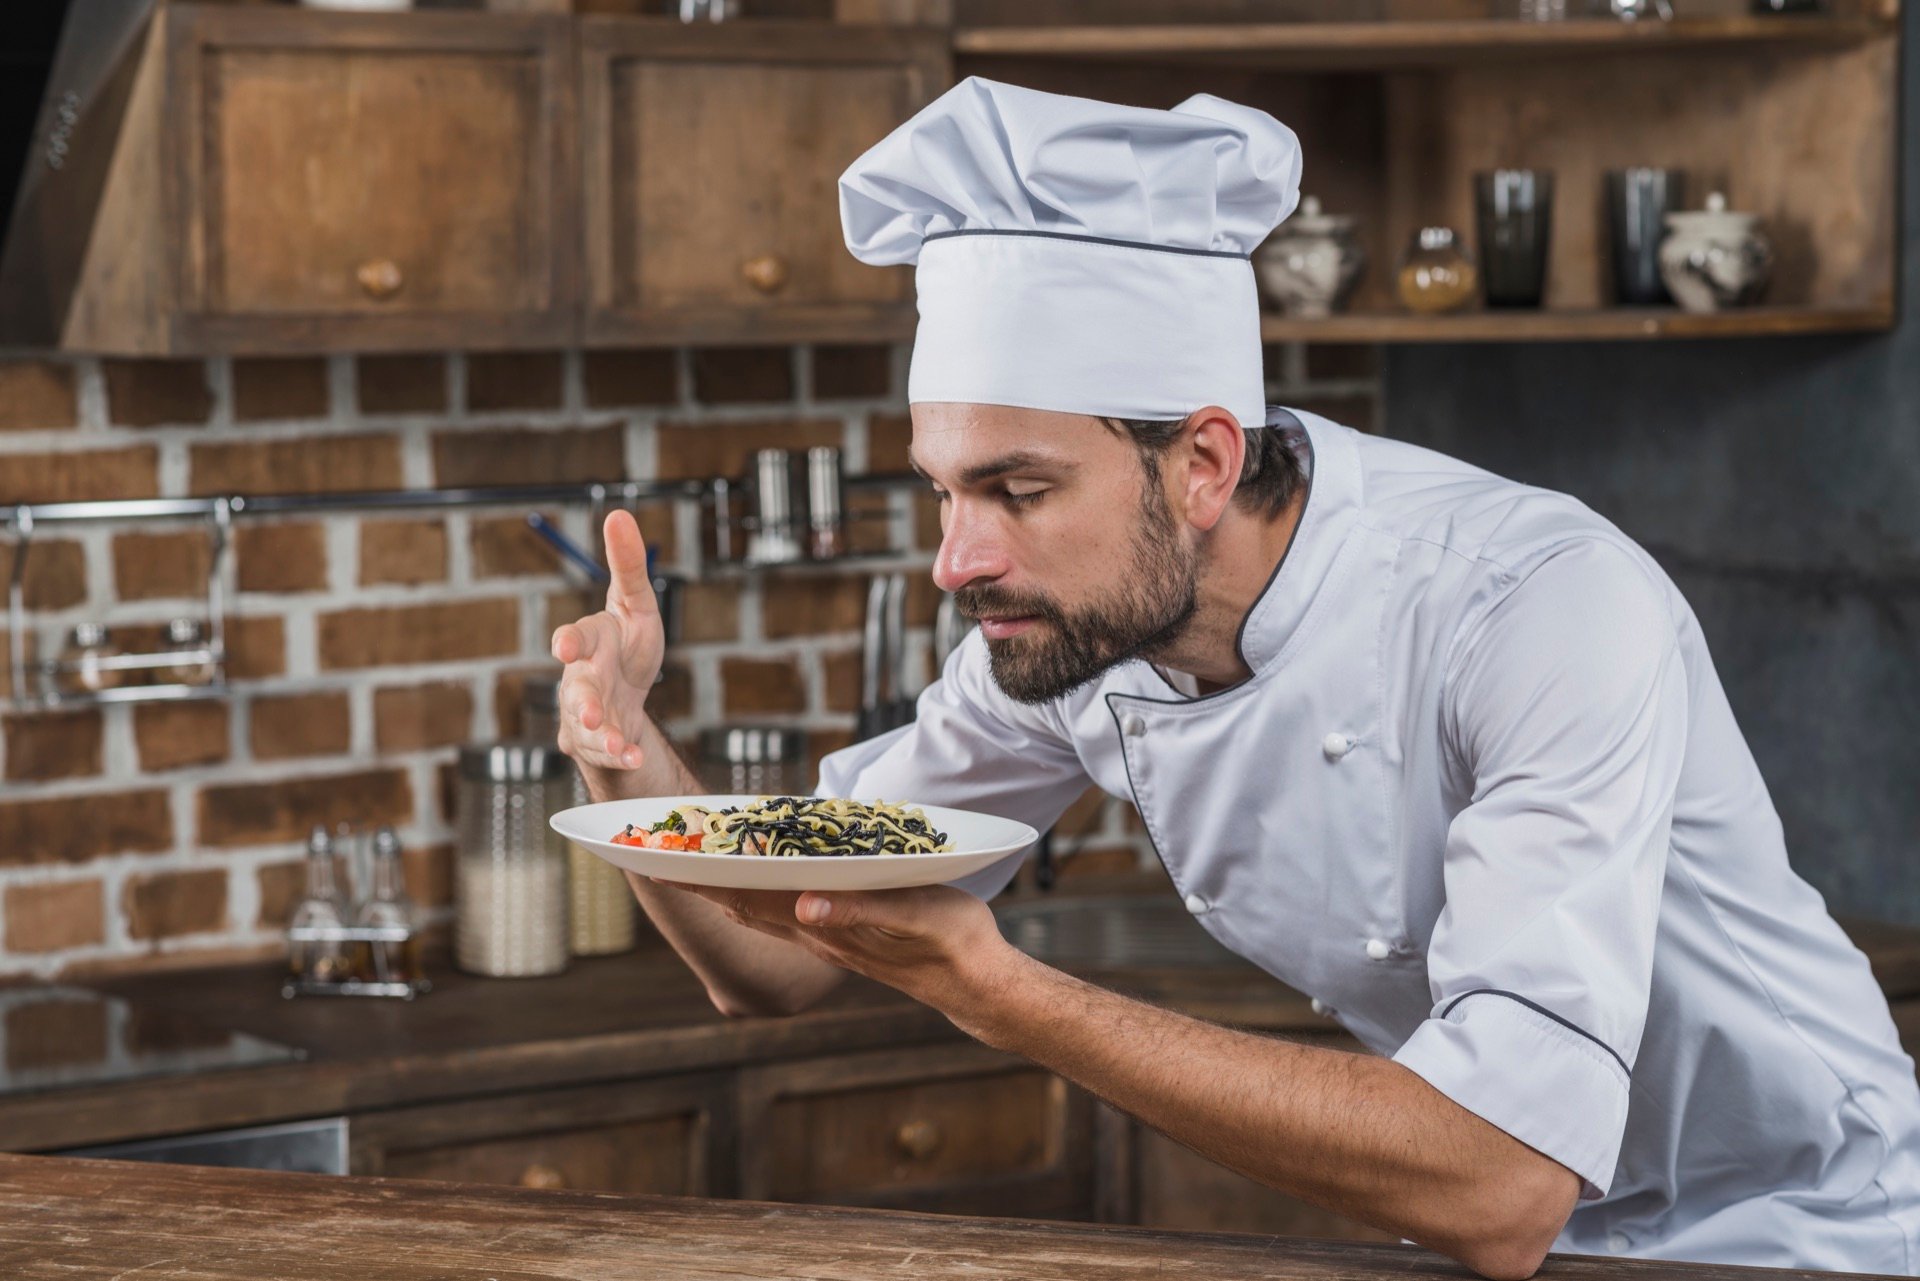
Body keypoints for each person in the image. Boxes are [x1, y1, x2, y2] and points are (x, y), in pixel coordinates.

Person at [552, 78, 1920, 1277]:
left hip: (1802, 1232)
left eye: (1017, 489)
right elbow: (774, 957)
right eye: (945, 492)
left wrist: (1002, 991)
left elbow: (1500, 1179)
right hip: (1537, 1246)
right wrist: (629, 755)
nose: (955, 561)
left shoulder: (1534, 603)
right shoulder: (1069, 639)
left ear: (1201, 465)